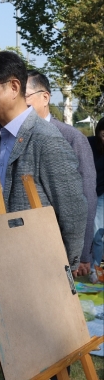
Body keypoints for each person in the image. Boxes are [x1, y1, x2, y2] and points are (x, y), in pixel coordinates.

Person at [0, 51, 87, 380]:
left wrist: (58, 273)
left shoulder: (45, 140)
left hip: (34, 279)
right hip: (2, 271)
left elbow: (73, 212)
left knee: (31, 377)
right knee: (19, 372)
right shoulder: (6, 136)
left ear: (14, 86)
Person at [24, 70, 96, 278]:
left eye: (25, 96)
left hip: (57, 245)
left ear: (45, 97)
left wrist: (82, 254)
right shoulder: (15, 137)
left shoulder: (71, 138)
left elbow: (86, 198)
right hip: (21, 241)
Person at [88, 118, 104, 282]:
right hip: (89, 192)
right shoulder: (89, 144)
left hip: (102, 194)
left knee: (98, 232)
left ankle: (95, 268)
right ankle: (93, 268)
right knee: (94, 232)